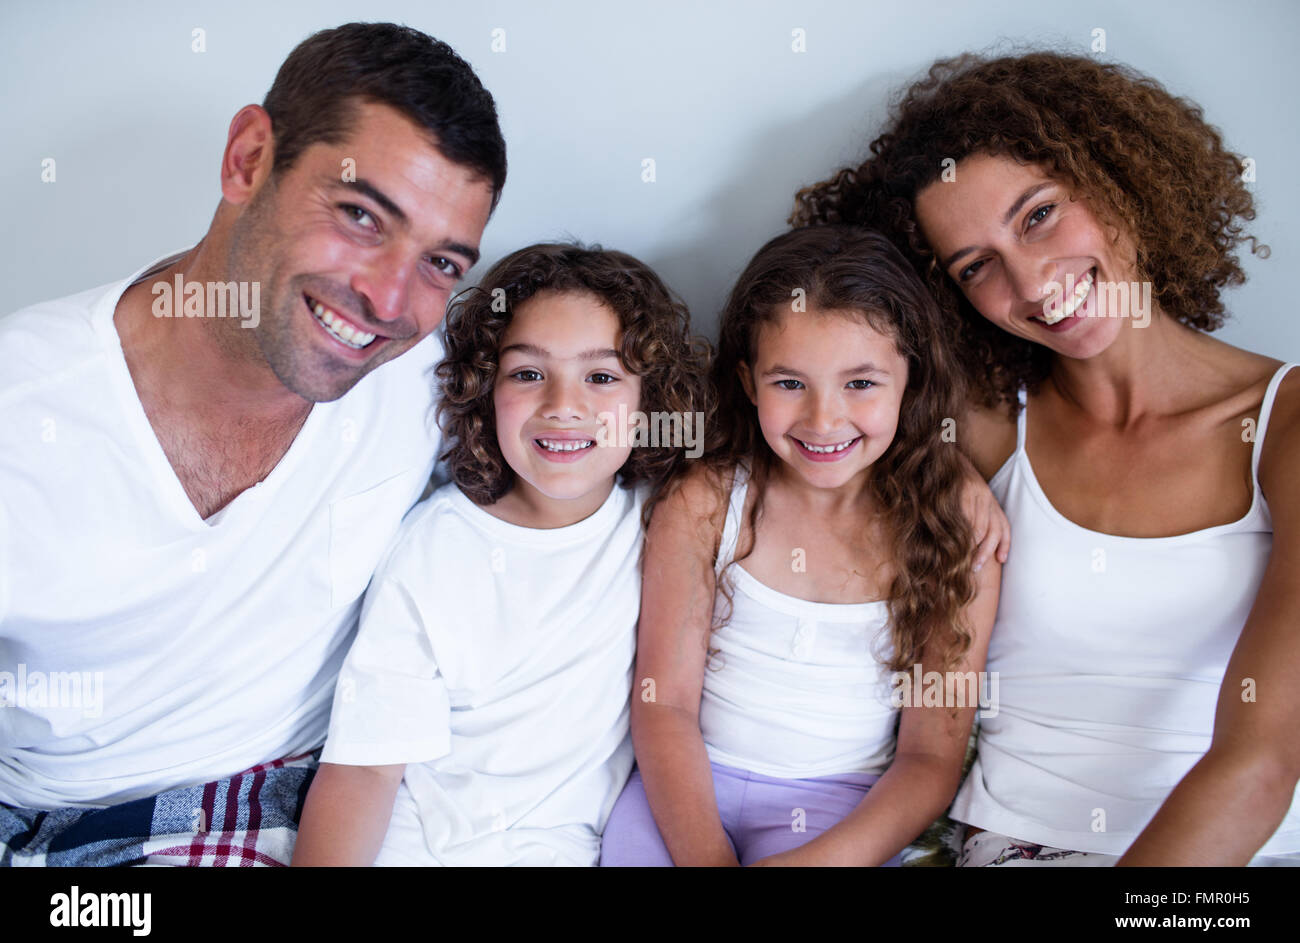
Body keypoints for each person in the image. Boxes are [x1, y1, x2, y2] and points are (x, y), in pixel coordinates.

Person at [0, 22, 506, 866]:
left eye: (442, 264)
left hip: (287, 801)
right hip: (47, 818)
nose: (388, 300)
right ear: (248, 160)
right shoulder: (24, 414)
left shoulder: (429, 384)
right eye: (359, 215)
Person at [792, 50, 1300, 866]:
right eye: (976, 266)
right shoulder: (982, 427)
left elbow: (1263, 760)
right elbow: (800, 358)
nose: (1031, 283)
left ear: (1119, 176)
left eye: (1038, 216)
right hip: (1013, 846)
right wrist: (934, 459)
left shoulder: (1284, 425)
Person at [291, 242, 711, 866]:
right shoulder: (434, 549)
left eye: (601, 377)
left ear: (648, 401)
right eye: (528, 374)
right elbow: (365, 772)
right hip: (427, 849)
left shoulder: (669, 521)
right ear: (486, 392)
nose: (564, 406)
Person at [599, 225, 1001, 866]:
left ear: (911, 381)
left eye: (860, 384)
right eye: (789, 384)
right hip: (682, 792)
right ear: (749, 381)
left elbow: (931, 758)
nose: (823, 420)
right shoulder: (706, 502)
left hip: (842, 816)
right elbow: (664, 704)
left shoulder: (953, 536)